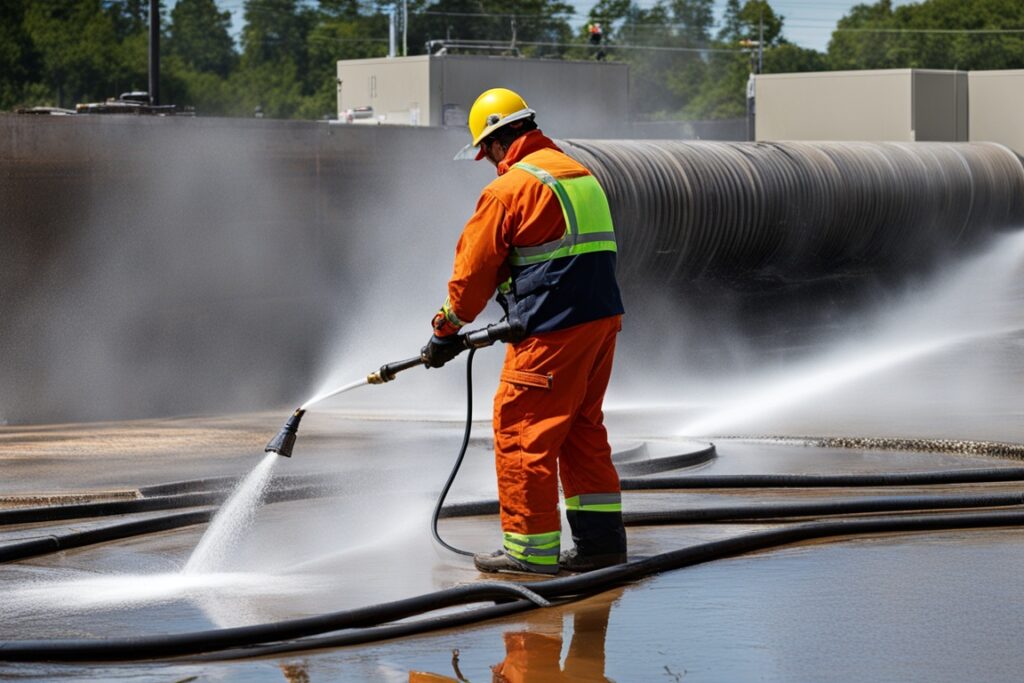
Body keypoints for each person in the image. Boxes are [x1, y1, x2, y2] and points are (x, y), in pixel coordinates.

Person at [421, 87, 627, 575]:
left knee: (521, 430)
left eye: (484, 152)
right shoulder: (578, 174)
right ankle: (601, 545)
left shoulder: (508, 190)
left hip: (550, 332)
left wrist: (444, 331)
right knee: (581, 429)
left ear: (494, 142)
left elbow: (472, 279)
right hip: (600, 324)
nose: (486, 162)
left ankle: (528, 555)